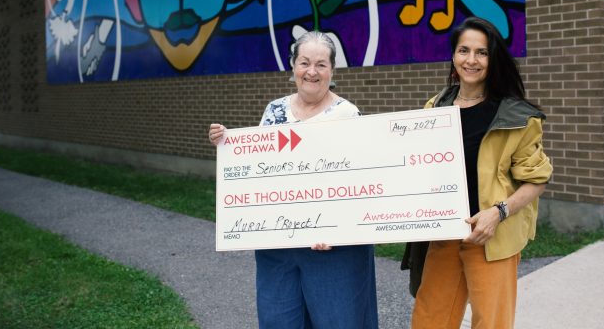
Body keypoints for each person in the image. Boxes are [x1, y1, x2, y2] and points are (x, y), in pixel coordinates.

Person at [209, 31, 378, 329]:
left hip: (330, 247)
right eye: (304, 62)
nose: (311, 71)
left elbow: (361, 183)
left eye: (321, 64)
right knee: (280, 320)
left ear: (332, 70)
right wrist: (226, 143)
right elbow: (256, 169)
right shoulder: (274, 110)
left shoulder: (348, 115)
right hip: (279, 246)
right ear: (293, 66)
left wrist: (339, 227)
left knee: (339, 321)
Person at [405, 17, 553, 329]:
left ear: (493, 58)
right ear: (454, 55)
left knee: (491, 323)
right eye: (464, 50)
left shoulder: (516, 115)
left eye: (481, 53)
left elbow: (536, 179)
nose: (471, 60)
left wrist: (499, 212)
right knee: (429, 321)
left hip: (491, 238)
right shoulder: (435, 108)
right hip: (445, 234)